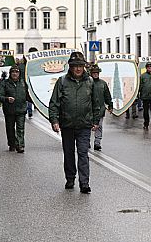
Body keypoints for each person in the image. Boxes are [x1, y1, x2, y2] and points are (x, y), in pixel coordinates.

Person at [49, 52, 100, 194]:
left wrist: (96, 120)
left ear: (84, 67)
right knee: (69, 153)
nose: (78, 69)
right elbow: (54, 103)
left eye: (80, 66)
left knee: (83, 153)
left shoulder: (89, 82)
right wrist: (54, 120)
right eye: (75, 66)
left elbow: (96, 103)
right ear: (70, 67)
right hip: (67, 124)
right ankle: (70, 178)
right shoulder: (62, 82)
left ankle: (84, 183)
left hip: (84, 124)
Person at [0, 65, 30, 153]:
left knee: (20, 128)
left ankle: (20, 145)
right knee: (10, 128)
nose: (15, 74)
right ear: (10, 73)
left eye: (17, 72)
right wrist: (7, 99)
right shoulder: (4, 83)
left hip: (21, 109)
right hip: (9, 110)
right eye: (13, 72)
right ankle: (12, 144)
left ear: (19, 73)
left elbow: (28, 95)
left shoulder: (23, 83)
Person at [89, 64, 113, 151]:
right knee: (88, 126)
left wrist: (110, 105)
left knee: (99, 126)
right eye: (94, 73)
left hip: (100, 109)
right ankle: (86, 141)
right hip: (88, 109)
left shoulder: (103, 84)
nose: (95, 74)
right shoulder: (87, 83)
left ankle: (97, 142)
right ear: (91, 73)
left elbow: (107, 95)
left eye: (97, 73)